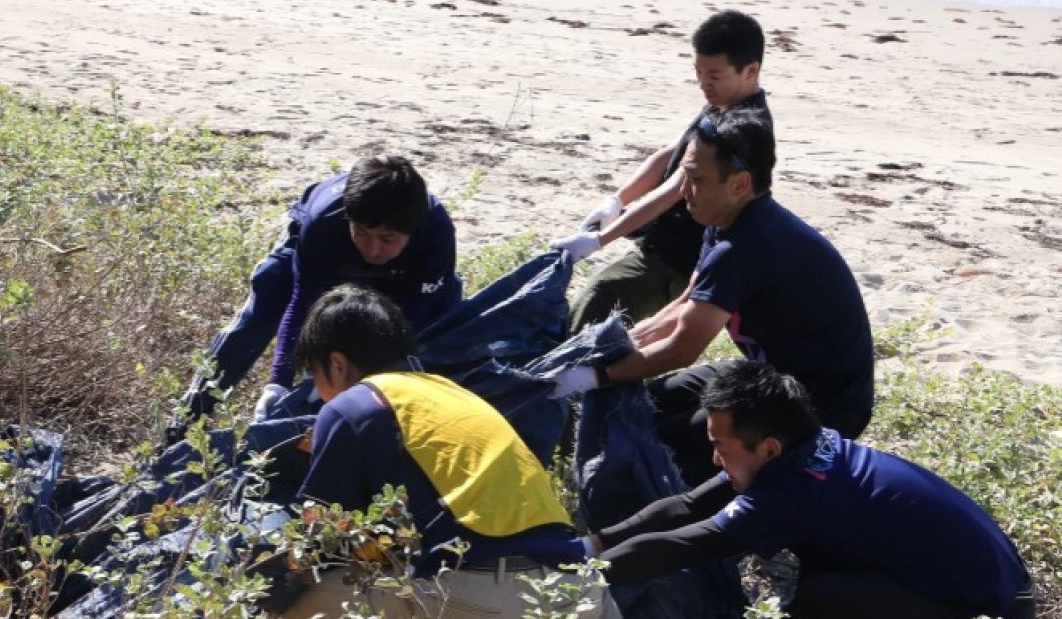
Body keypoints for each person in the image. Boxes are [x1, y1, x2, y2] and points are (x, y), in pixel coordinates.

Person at [552, 109, 874, 485]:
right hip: (770, 374)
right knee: (648, 405)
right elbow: (689, 301)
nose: (684, 191)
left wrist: (594, 376)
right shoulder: (722, 222)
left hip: (824, 402)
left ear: (739, 184)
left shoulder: (745, 245)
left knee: (669, 440)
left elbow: (680, 350)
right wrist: (628, 341)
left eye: (695, 179)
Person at [582, 361, 1036, 619]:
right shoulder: (808, 451)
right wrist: (585, 545)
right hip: (991, 579)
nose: (716, 459)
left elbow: (681, 546)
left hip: (990, 609)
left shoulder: (793, 491)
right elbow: (687, 506)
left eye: (721, 447)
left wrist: (568, 581)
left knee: (822, 596)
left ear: (769, 447)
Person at [285, 286, 619, 618]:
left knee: (297, 596)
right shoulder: (456, 395)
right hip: (582, 589)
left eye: (314, 375)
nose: (318, 393)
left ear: (337, 363)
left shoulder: (353, 405)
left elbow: (320, 541)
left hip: (492, 598)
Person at [172, 155, 461, 438]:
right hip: (327, 252)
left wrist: (361, 384)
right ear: (348, 218)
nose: (373, 250)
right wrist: (278, 382)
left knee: (444, 329)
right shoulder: (324, 222)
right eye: (362, 233)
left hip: (405, 275)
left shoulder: (435, 233)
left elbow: (411, 322)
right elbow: (300, 304)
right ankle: (187, 418)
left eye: (387, 239)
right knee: (265, 303)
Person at [551, 10, 771, 335]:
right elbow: (673, 152)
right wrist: (615, 202)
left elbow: (675, 189)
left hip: (681, 261)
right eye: (698, 72)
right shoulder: (722, 101)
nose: (703, 83)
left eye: (713, 74)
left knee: (601, 296)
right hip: (661, 247)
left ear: (750, 71)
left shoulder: (743, 127)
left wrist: (599, 241)